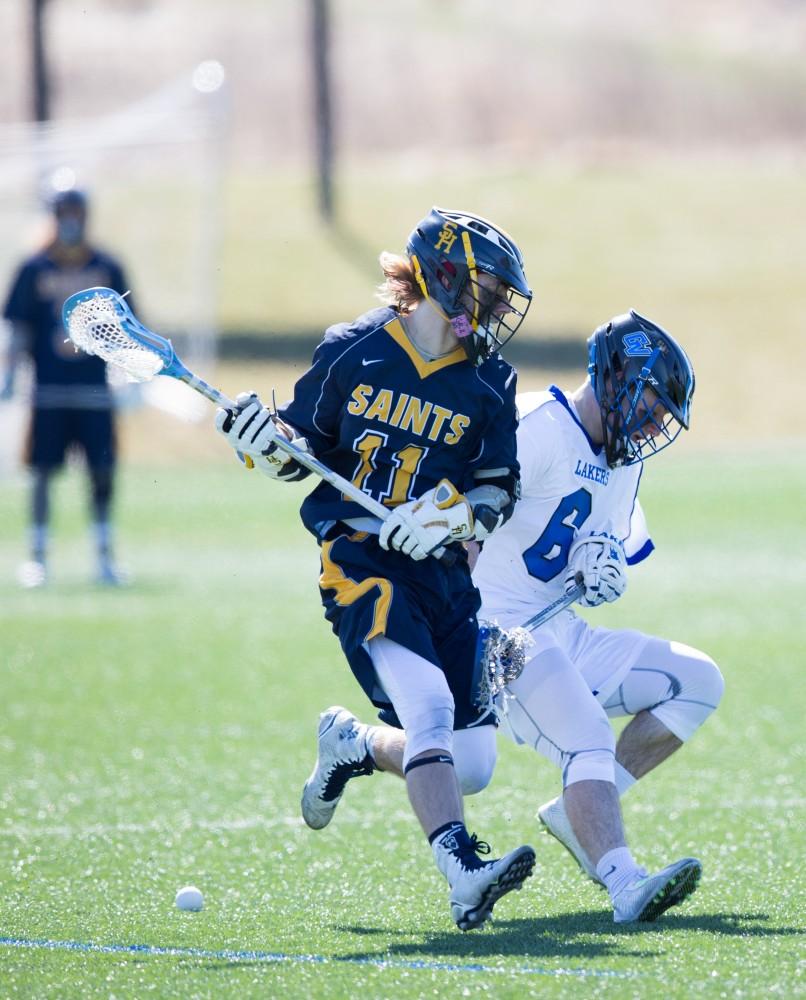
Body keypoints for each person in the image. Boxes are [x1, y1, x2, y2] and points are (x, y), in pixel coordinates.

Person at [304, 309, 724, 926]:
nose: (654, 422)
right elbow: (468, 526)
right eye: (651, 403)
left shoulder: (625, 459)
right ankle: (623, 881)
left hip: (559, 626)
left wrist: (600, 564)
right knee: (577, 735)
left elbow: (601, 543)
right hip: (499, 626)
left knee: (696, 683)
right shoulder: (534, 426)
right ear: (614, 380)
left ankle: (572, 807)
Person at [215, 207, 536, 931]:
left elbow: (498, 485)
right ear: (444, 278)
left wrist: (455, 517)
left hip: (443, 574)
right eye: (485, 290)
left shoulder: (491, 380)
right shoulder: (353, 349)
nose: (493, 310)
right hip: (362, 558)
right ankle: (463, 872)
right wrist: (261, 443)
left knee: (473, 763)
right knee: (429, 708)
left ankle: (354, 744)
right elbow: (301, 447)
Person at [1, 187, 132, 587]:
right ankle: (38, 556)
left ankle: (105, 555)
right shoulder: (34, 267)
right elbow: (18, 327)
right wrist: (8, 378)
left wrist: (129, 374)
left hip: (94, 393)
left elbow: (128, 326)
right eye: (63, 212)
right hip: (49, 391)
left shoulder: (106, 266)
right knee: (41, 472)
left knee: (102, 472)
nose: (70, 220)